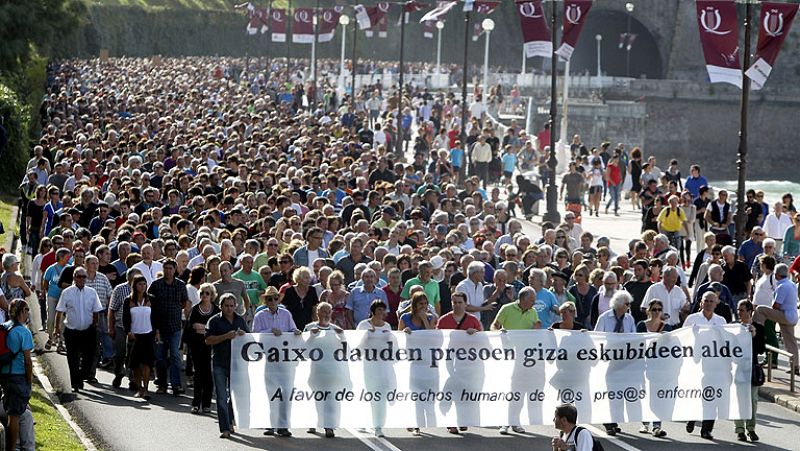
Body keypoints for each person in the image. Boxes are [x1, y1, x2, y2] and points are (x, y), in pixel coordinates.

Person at [491, 286, 540, 435]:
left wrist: (539, 329)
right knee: (507, 390)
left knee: (519, 391)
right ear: (523, 299)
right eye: (532, 300)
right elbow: (494, 325)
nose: (534, 303)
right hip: (507, 357)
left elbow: (536, 331)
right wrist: (499, 332)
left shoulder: (533, 312)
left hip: (524, 359)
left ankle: (515, 421)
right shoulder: (507, 309)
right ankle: (503, 422)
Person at [684, 291, 727, 440]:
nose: (708, 303)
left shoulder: (721, 321)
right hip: (695, 363)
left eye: (711, 301)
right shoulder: (692, 319)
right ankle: (692, 417)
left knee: (711, 396)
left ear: (716, 303)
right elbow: (682, 339)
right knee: (696, 394)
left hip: (714, 364)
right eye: (706, 301)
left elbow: (725, 342)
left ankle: (707, 429)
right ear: (701, 302)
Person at [205, 294, 248, 439]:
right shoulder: (214, 321)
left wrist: (243, 335)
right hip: (219, 363)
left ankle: (230, 420)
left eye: (231, 306)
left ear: (235, 306)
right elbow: (208, 340)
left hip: (236, 364)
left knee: (233, 396)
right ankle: (224, 428)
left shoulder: (240, 320)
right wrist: (225, 336)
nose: (229, 309)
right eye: (226, 306)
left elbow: (250, 340)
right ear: (221, 306)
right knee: (222, 396)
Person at [54, 267, 103, 392]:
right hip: (72, 330)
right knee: (73, 358)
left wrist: (95, 325)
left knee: (89, 358)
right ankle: (75, 383)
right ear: (74, 278)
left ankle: (81, 377)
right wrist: (56, 328)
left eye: (84, 277)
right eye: (79, 276)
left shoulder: (92, 292)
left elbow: (97, 310)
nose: (81, 279)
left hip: (88, 331)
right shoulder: (67, 292)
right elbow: (59, 311)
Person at [594, 290, 636, 436]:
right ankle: (608, 422)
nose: (629, 306)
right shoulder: (605, 318)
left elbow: (634, 337)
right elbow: (597, 337)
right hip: (608, 360)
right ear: (618, 304)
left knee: (619, 393)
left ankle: (614, 419)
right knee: (610, 392)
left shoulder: (629, 319)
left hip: (623, 361)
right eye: (627, 304)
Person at [148, 259, 189, 396]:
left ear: (175, 269)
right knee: (160, 357)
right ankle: (162, 384)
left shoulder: (180, 285)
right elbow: (150, 304)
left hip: (175, 326)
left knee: (175, 356)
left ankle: (176, 385)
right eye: (166, 268)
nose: (168, 271)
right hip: (159, 327)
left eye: (170, 268)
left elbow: (184, 302)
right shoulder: (156, 285)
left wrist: (176, 310)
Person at [753, 263, 799, 375]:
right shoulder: (791, 284)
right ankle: (795, 366)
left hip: (785, 315)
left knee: (760, 309)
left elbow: (776, 306)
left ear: (777, 275)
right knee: (790, 342)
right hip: (792, 316)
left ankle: (756, 328)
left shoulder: (782, 286)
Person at [0, 299, 33, 451]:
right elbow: (27, 362)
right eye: (26, 309)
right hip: (17, 376)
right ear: (21, 311)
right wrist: (29, 382)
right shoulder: (24, 332)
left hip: (3, 375)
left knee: (10, 413)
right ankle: (11, 449)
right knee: (15, 417)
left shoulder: (4, 327)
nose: (28, 313)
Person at [635, 299, 671, 437]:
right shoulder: (641, 326)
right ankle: (644, 423)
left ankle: (657, 425)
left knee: (657, 396)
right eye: (654, 309)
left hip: (659, 367)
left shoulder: (667, 328)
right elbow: (637, 343)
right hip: (643, 365)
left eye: (659, 309)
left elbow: (672, 347)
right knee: (644, 395)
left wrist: (665, 338)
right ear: (648, 310)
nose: (656, 312)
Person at [186, 282, 220, 413]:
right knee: (198, 374)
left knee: (208, 375)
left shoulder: (216, 310)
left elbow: (215, 329)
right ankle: (196, 403)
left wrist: (202, 327)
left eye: (207, 293)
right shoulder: (195, 309)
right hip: (196, 345)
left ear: (212, 295)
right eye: (202, 293)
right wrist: (205, 328)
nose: (204, 295)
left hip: (211, 346)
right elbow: (192, 326)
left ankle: (206, 404)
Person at [734, 300, 765, 442]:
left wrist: (754, 336)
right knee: (739, 399)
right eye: (738, 310)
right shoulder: (734, 327)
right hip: (738, 368)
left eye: (742, 310)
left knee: (753, 400)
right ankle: (740, 429)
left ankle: (751, 428)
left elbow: (761, 349)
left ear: (749, 311)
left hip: (751, 368)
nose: (739, 313)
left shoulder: (758, 327)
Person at [122, 274, 155, 400]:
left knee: (147, 363)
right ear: (134, 285)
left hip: (148, 334)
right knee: (135, 364)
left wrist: (156, 332)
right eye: (140, 284)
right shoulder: (128, 300)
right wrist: (128, 331)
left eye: (144, 284)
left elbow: (156, 316)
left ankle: (146, 389)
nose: (142, 287)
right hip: (135, 335)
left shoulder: (151, 299)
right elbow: (125, 318)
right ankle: (139, 388)